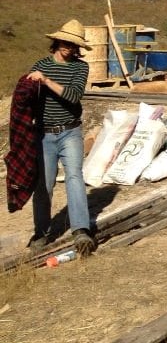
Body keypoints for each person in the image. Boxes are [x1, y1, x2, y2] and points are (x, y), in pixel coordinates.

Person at [25, 19, 96, 256]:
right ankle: (41, 233)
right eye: (66, 42)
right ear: (57, 41)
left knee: (74, 177)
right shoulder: (41, 64)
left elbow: (73, 96)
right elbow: (28, 98)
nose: (69, 47)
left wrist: (45, 80)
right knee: (43, 185)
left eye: (73, 44)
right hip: (44, 134)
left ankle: (81, 230)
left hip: (70, 131)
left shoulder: (80, 68)